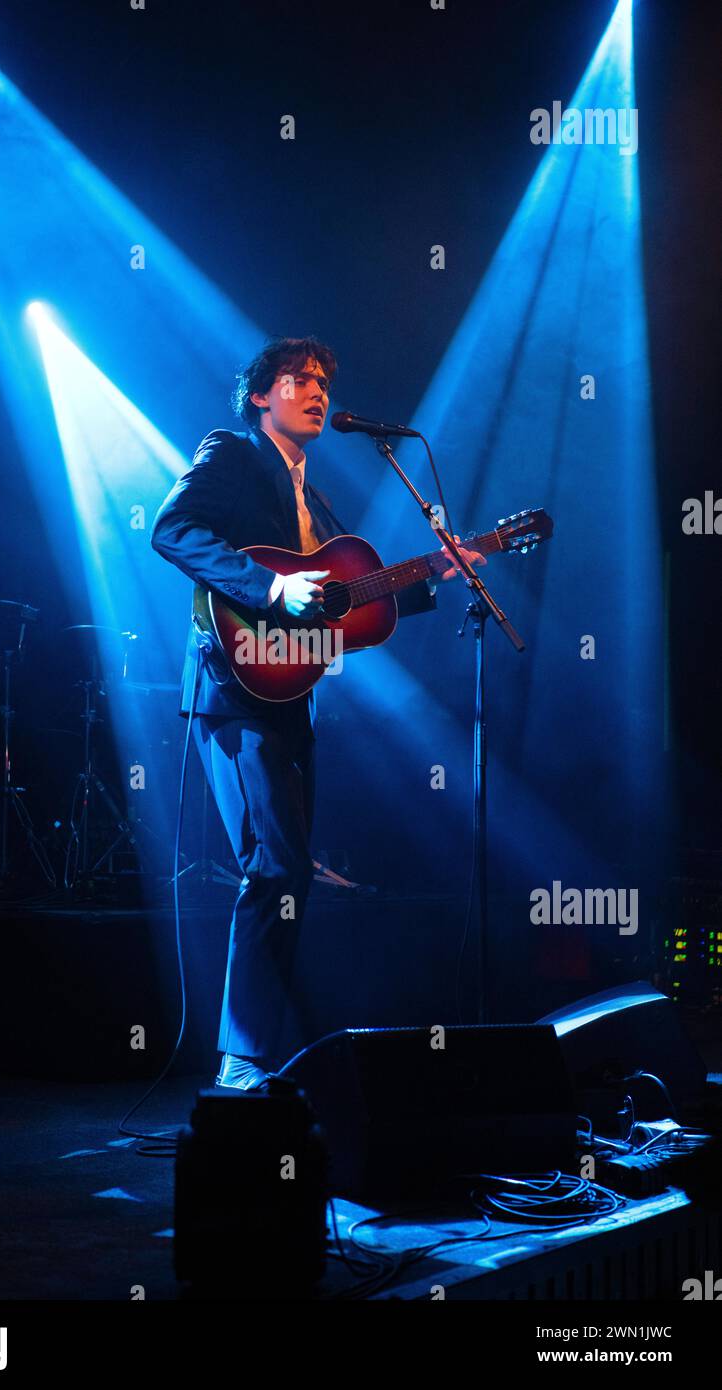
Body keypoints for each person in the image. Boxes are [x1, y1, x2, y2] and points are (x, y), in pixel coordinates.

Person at [151, 336, 484, 1088]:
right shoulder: (231, 453)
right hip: (232, 688)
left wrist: (437, 573)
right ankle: (242, 1057)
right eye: (299, 379)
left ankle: (267, 1048)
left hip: (289, 697)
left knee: (292, 873)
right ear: (261, 394)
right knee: (272, 868)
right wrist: (270, 591)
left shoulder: (319, 501)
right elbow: (171, 531)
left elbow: (348, 609)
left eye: (324, 381)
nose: (317, 391)